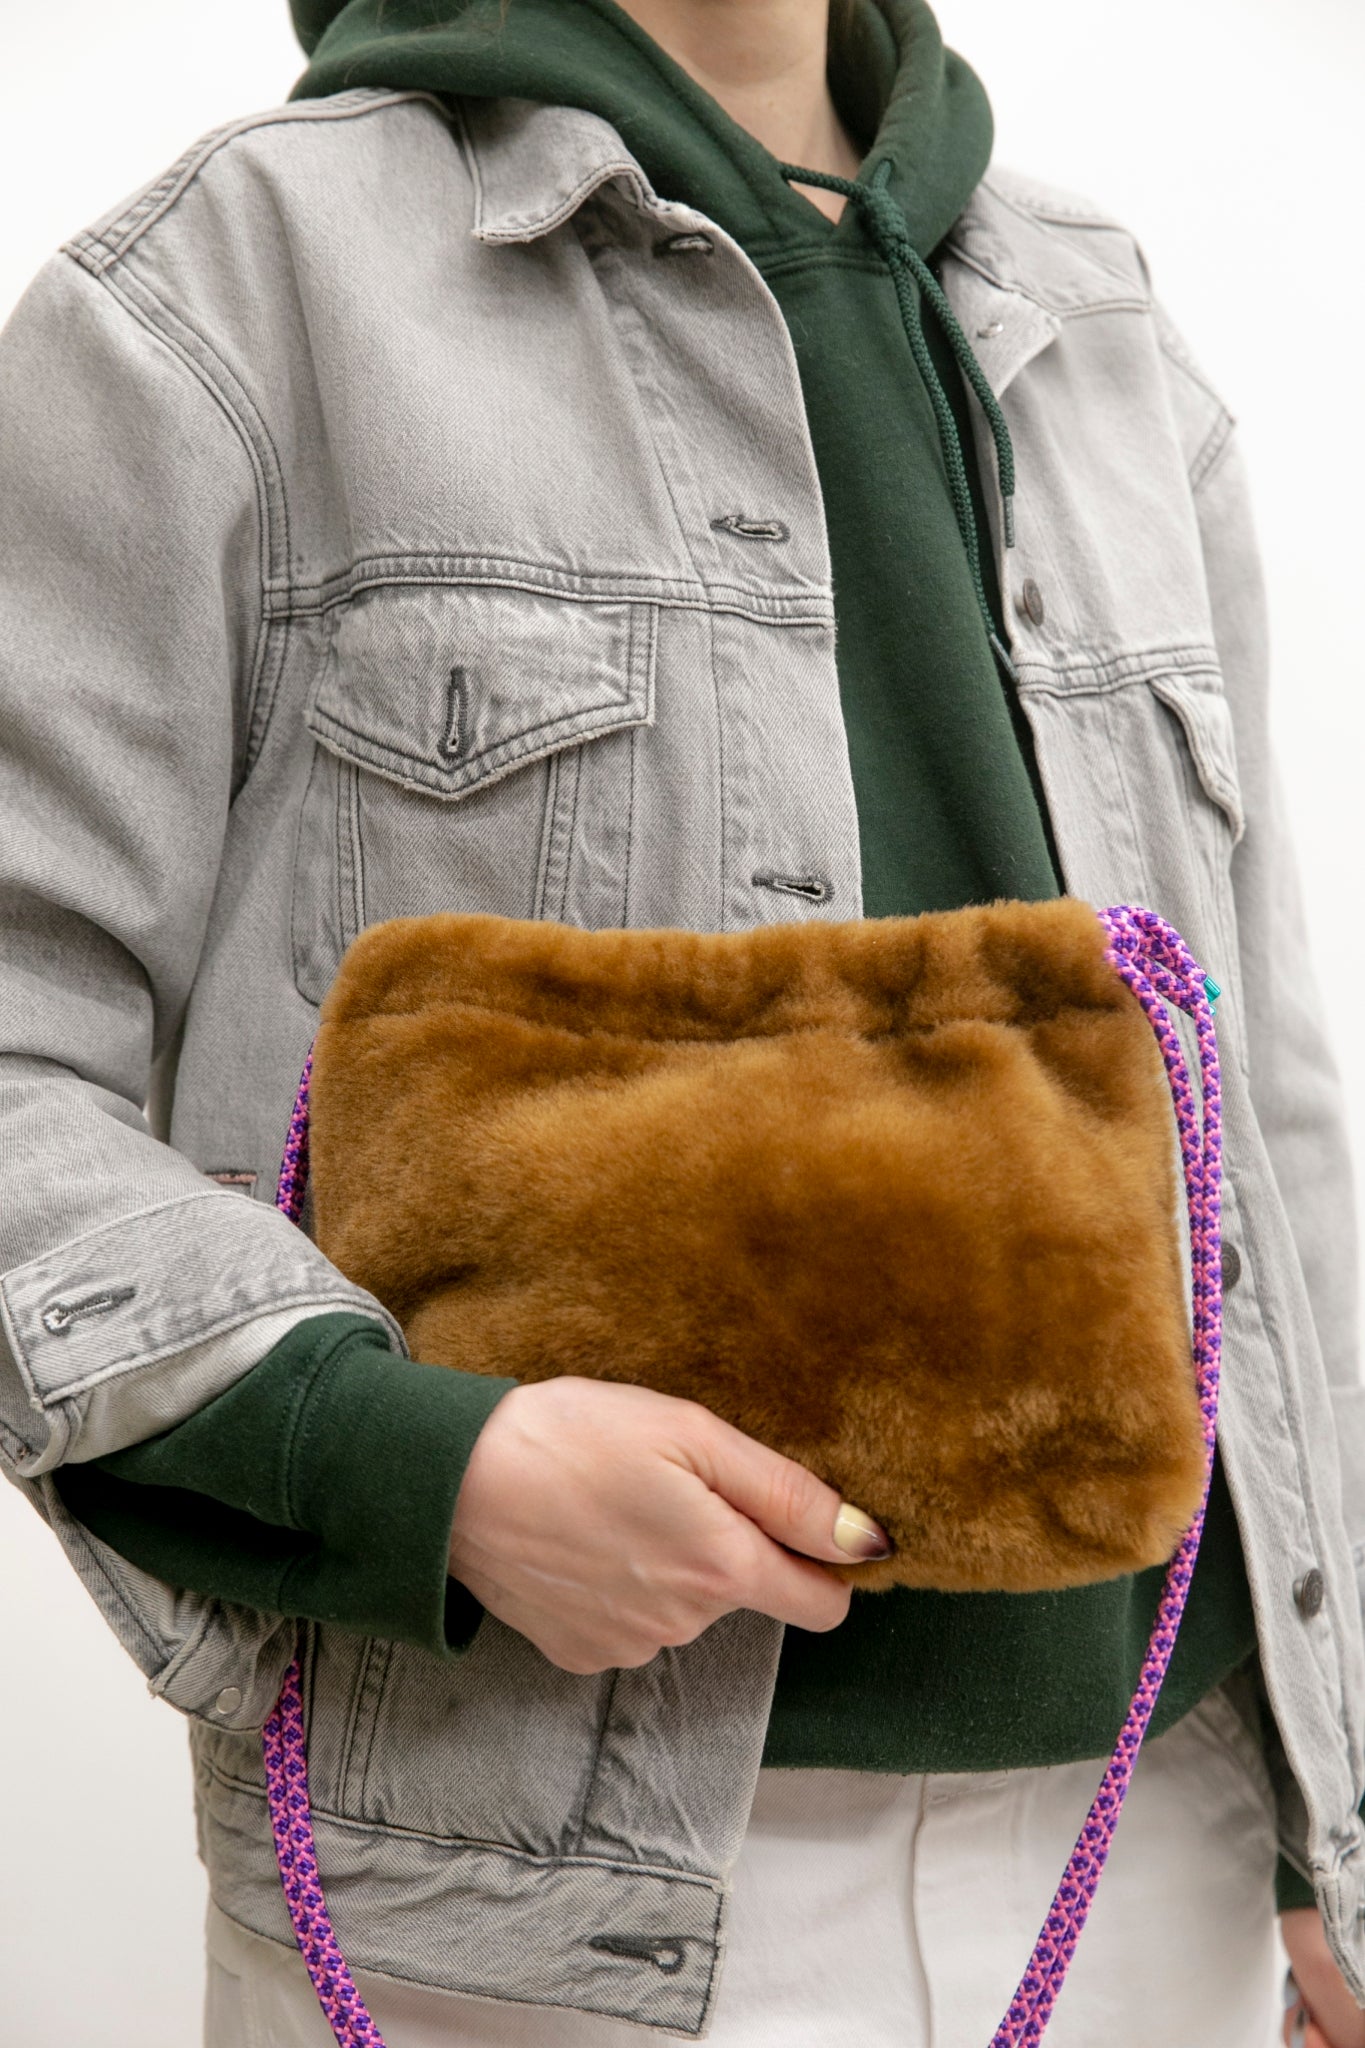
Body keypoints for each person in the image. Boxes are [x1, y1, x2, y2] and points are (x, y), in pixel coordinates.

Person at [0, 0, 1360, 2041]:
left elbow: (1260, 1111)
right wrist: (422, 1467)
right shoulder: (222, 296)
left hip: (1156, 1847)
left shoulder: (1100, 326)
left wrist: (1339, 1809)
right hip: (529, 1897)